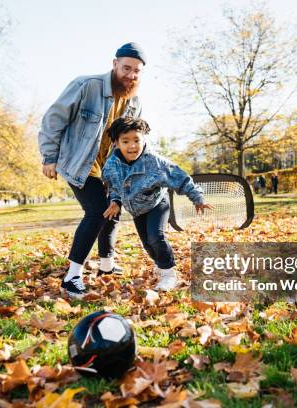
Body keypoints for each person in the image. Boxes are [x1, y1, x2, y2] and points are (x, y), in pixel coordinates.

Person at [38, 43, 146, 298]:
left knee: (113, 209)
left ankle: (106, 265)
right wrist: (49, 157)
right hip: (78, 163)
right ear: (114, 64)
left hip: (110, 168)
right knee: (97, 212)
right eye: (126, 68)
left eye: (137, 71)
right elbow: (53, 119)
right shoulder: (86, 85)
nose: (131, 75)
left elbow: (132, 138)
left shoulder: (135, 101)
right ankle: (72, 277)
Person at [102, 117, 213, 291]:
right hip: (137, 209)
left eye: (137, 140)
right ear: (116, 143)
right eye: (126, 141)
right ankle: (161, 264)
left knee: (156, 236)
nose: (132, 146)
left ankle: (169, 274)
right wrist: (115, 201)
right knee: (147, 244)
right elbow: (114, 186)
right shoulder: (111, 166)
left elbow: (180, 178)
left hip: (157, 203)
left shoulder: (155, 162)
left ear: (143, 139)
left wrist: (197, 198)